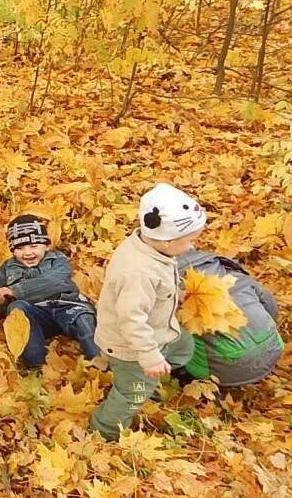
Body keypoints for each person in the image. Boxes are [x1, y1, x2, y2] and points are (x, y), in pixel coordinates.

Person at [88, 183, 205, 440]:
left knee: (183, 346)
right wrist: (149, 357)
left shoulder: (150, 248)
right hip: (131, 347)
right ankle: (102, 431)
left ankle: (155, 370)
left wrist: (176, 295)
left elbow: (155, 290)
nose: (192, 248)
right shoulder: (139, 272)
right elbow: (131, 319)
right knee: (133, 392)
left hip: (159, 330)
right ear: (167, 240)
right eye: (188, 242)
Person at [0, 214, 100, 374]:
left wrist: (16, 291)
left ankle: (101, 365)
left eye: (33, 246)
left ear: (46, 245)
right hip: (37, 315)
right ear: (12, 250)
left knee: (84, 319)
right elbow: (1, 306)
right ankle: (36, 366)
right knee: (17, 308)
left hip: (67, 306)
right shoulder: (7, 268)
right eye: (20, 248)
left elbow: (56, 282)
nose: (27, 253)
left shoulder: (57, 259)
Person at [175, 250, 283, 387]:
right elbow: (270, 306)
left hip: (219, 371)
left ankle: (186, 375)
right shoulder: (237, 278)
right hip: (273, 348)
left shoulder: (175, 294)